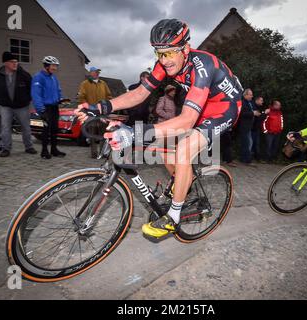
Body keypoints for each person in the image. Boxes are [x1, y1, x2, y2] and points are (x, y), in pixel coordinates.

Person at [75, 18, 242, 238]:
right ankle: (185, 181)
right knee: (162, 142)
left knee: (184, 149)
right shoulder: (164, 63)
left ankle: (173, 217)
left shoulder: (203, 66)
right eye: (159, 53)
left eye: (170, 53)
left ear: (185, 49)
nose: (164, 60)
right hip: (201, 106)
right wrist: (99, 107)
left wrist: (132, 132)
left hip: (224, 109)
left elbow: (186, 120)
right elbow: (139, 94)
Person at [0, 51, 36, 157]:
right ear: (5, 63)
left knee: (26, 127)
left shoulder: (24, 74)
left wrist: (27, 100)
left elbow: (32, 89)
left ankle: (29, 146)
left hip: (22, 106)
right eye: (12, 62)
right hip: (5, 105)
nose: (15, 63)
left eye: (16, 61)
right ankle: (6, 148)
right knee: (5, 127)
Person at [31, 56, 66, 159]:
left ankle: (54, 149)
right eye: (53, 66)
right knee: (46, 130)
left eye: (56, 66)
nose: (55, 68)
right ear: (46, 66)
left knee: (55, 129)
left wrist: (61, 99)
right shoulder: (38, 77)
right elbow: (36, 95)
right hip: (45, 108)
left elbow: (58, 90)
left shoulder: (53, 77)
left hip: (54, 107)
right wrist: (41, 110)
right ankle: (44, 151)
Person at [78, 66, 113, 157]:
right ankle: (94, 153)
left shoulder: (103, 83)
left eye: (98, 72)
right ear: (91, 73)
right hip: (91, 112)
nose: (97, 73)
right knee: (92, 133)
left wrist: (107, 106)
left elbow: (109, 96)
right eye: (95, 72)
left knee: (103, 133)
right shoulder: (85, 84)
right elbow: (81, 97)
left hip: (102, 113)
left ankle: (102, 152)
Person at [237, 88, 260, 165]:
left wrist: (254, 113)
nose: (252, 96)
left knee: (247, 143)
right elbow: (242, 114)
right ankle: (246, 160)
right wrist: (252, 113)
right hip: (244, 126)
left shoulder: (249, 102)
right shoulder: (243, 102)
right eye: (250, 95)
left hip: (248, 127)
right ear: (246, 95)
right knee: (247, 143)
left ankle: (244, 159)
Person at [251, 96, 265, 161]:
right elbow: (258, 116)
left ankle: (257, 158)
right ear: (257, 100)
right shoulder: (252, 106)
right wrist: (264, 113)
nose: (262, 102)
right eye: (261, 100)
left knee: (256, 144)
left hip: (257, 129)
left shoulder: (259, 107)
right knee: (251, 144)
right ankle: (249, 158)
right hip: (252, 129)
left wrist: (263, 113)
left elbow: (260, 116)